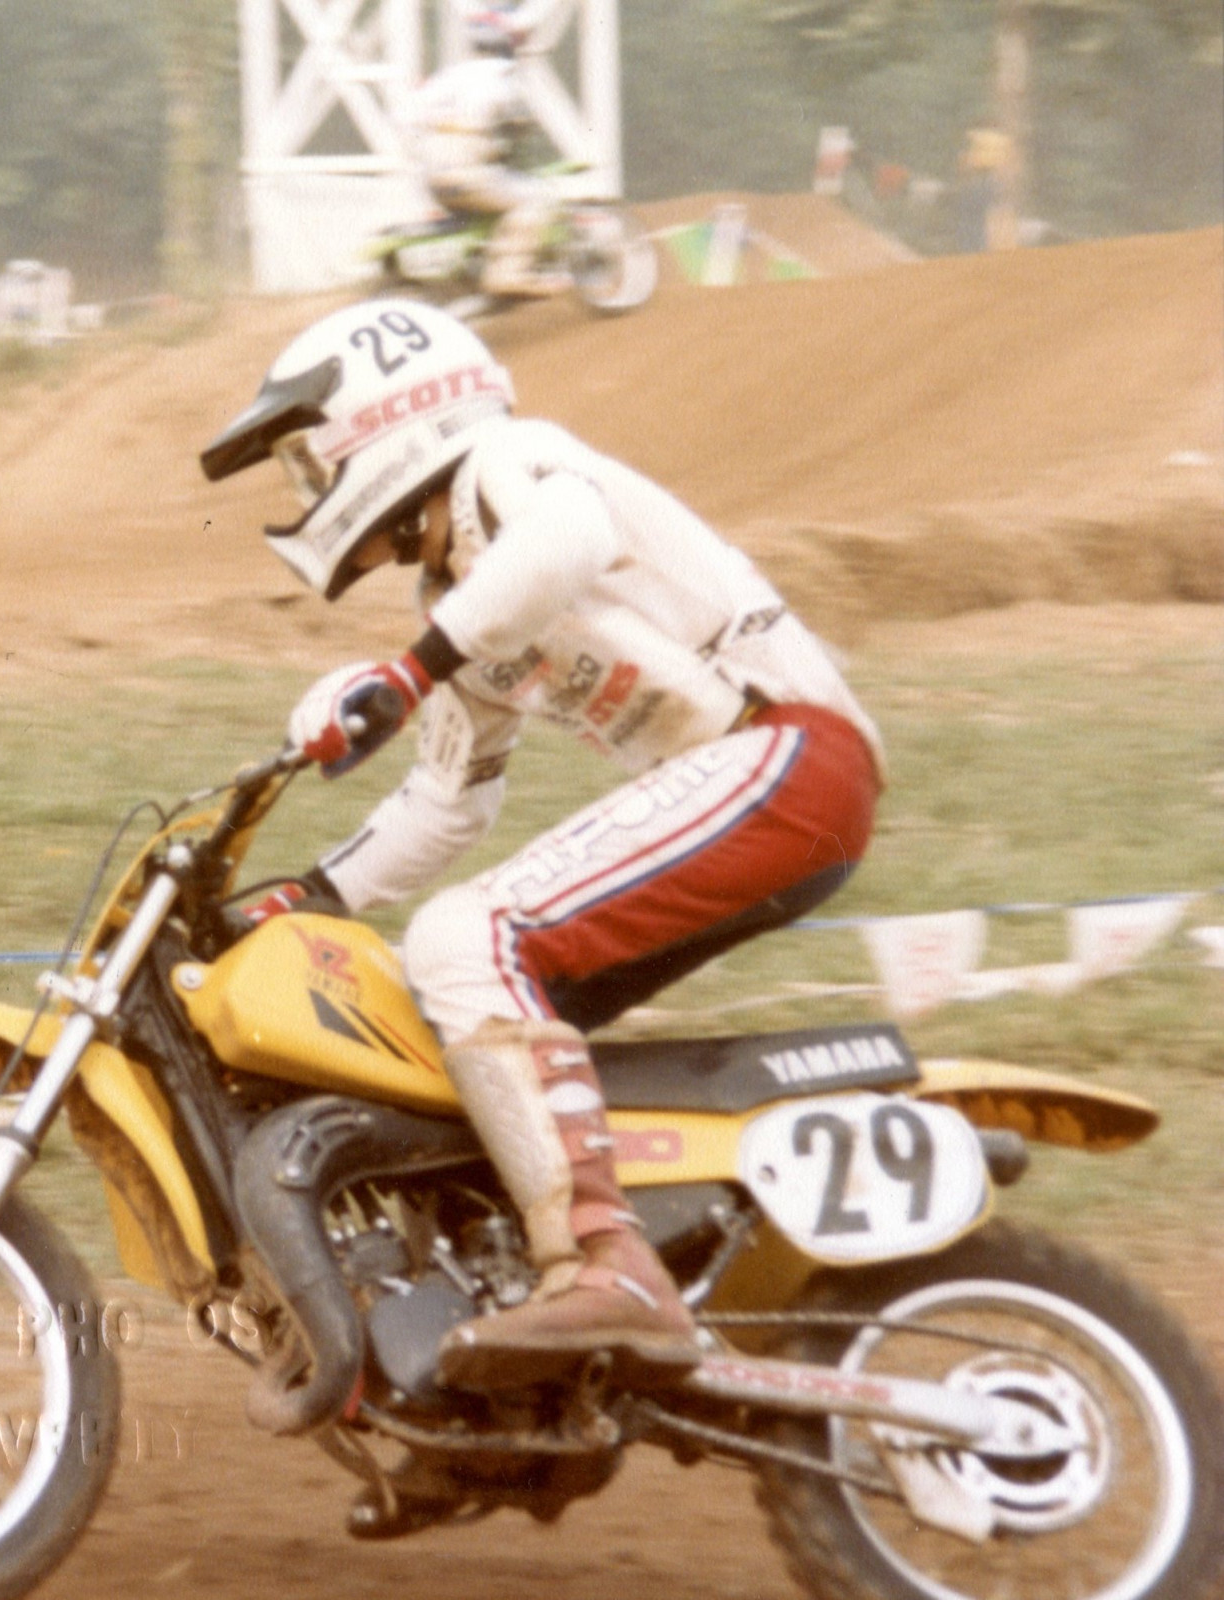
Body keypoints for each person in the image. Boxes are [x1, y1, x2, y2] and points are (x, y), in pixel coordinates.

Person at [199, 298, 885, 1398]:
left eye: (303, 461)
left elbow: (567, 543)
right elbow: (448, 798)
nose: (304, 492)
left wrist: (412, 668)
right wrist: (309, 893)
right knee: (449, 1014)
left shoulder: (511, 467)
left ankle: (604, 1264)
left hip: (793, 753)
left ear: (379, 421)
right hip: (742, 788)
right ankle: (525, 1289)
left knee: (469, 934)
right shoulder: (458, 595)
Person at [403, 8, 562, 297]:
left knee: (493, 201)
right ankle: (509, 273)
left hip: (434, 182)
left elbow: (408, 119)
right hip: (474, 178)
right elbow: (517, 120)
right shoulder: (500, 76)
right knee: (538, 200)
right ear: (506, 43)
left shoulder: (447, 76)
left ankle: (477, 268)